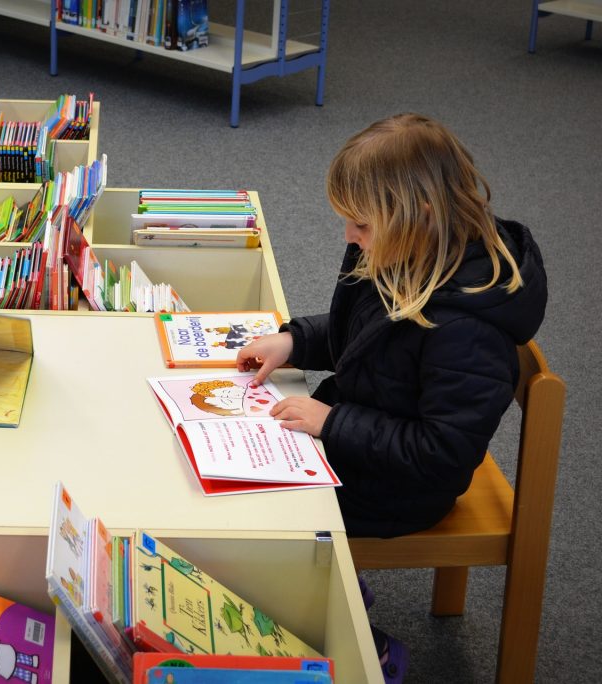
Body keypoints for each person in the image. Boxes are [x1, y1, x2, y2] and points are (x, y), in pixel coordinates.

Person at [236, 113, 548, 681]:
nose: (348, 237)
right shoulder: (407, 251)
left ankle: (358, 642)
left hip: (402, 485)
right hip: (364, 438)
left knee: (256, 509)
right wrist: (294, 340)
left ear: (418, 215)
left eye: (358, 224)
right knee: (240, 472)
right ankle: (327, 595)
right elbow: (361, 335)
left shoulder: (467, 329)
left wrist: (332, 422)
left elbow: (442, 451)